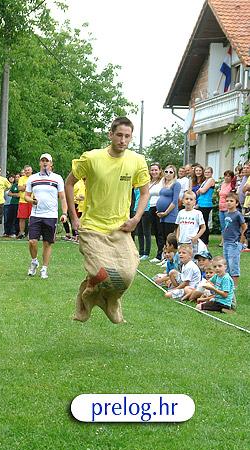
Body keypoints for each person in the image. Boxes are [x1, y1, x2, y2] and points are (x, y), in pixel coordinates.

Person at [65, 116, 150, 323]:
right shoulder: (91, 158)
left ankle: (110, 302)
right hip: (92, 226)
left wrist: (136, 218)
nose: (123, 140)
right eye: (119, 135)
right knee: (101, 272)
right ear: (110, 134)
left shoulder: (137, 161)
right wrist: (74, 217)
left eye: (127, 136)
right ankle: (85, 300)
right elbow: (69, 183)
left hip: (120, 227)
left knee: (126, 275)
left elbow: (145, 192)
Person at [25, 154, 68, 279]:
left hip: (51, 215)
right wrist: (32, 201)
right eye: (42, 161)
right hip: (36, 214)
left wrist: (64, 213)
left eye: (47, 161)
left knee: (47, 243)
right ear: (39, 163)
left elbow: (62, 197)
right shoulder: (32, 178)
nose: (45, 163)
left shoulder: (57, 178)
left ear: (51, 164)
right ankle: (34, 261)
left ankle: (44, 268)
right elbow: (26, 196)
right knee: (32, 241)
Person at [155, 164, 181, 265]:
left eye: (171, 172)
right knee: (162, 237)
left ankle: (171, 259)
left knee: (169, 238)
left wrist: (166, 212)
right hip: (161, 216)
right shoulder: (163, 184)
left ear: (174, 174)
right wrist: (159, 211)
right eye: (166, 171)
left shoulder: (176, 184)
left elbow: (174, 201)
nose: (168, 174)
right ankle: (164, 258)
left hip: (170, 215)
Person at [221, 192, 246, 287]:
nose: (228, 202)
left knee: (233, 264)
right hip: (226, 243)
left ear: (236, 203)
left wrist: (241, 242)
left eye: (231, 201)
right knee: (226, 263)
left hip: (234, 243)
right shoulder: (226, 214)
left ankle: (235, 285)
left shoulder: (238, 214)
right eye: (227, 201)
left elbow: (244, 227)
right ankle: (228, 283)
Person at [175, 190, 206, 254]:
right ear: (183, 200)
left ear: (194, 202)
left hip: (192, 242)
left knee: (192, 257)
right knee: (182, 257)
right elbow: (178, 227)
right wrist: (177, 238)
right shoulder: (180, 212)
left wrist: (196, 237)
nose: (188, 201)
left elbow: (203, 227)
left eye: (191, 199)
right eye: (186, 199)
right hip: (181, 241)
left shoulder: (197, 213)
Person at [146, 163, 163, 262]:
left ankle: (161, 254)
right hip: (151, 207)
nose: (154, 172)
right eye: (152, 170)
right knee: (155, 231)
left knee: (160, 232)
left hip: (159, 207)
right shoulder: (149, 182)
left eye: (156, 170)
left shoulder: (162, 181)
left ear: (160, 170)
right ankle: (159, 253)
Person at [195, 166, 215, 246]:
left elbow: (203, 191)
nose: (207, 174)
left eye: (208, 172)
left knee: (204, 223)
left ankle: (205, 241)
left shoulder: (211, 180)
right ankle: (201, 239)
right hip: (201, 203)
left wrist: (200, 190)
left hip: (206, 204)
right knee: (200, 222)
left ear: (211, 173)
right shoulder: (205, 181)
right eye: (205, 172)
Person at [216, 170, 235, 245]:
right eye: (225, 176)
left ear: (231, 177)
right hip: (221, 207)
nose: (226, 177)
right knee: (223, 225)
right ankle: (223, 240)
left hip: (228, 207)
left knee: (228, 225)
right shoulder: (223, 184)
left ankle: (229, 240)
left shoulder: (231, 185)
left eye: (228, 176)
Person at [17, 165, 33, 239]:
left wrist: (25, 186)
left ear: (31, 171)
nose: (27, 171)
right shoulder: (21, 178)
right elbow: (20, 188)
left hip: (32, 201)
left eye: (28, 170)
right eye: (25, 170)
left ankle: (31, 233)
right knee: (22, 218)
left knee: (32, 218)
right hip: (23, 201)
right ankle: (21, 233)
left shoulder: (34, 178)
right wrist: (27, 186)